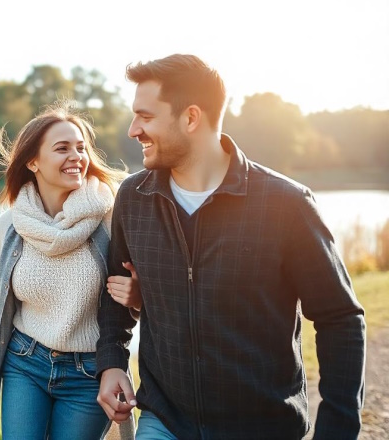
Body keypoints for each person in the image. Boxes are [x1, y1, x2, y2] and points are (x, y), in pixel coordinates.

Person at [96, 54, 366, 439]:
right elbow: (115, 292)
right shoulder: (133, 196)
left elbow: (340, 319)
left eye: (145, 116)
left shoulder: (286, 205)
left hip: (263, 426)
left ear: (191, 118)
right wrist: (111, 362)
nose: (132, 130)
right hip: (164, 419)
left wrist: (337, 430)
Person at [0, 101, 135, 440]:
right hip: (24, 363)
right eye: (62, 148)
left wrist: (139, 297)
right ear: (33, 161)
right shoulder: (10, 226)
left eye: (81, 148)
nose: (77, 156)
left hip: (88, 374)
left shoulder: (110, 220)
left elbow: (131, 301)